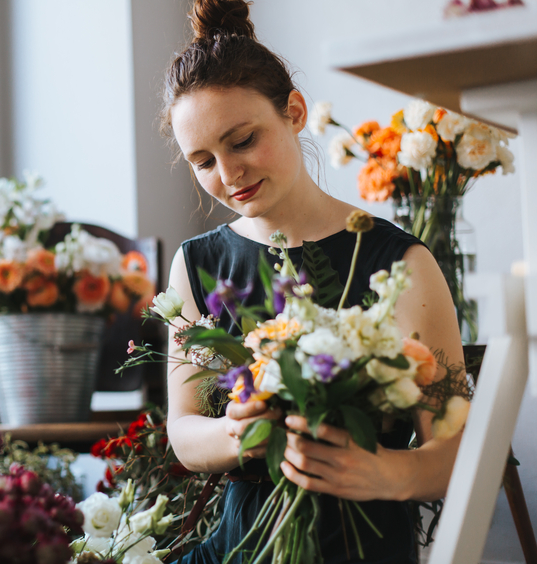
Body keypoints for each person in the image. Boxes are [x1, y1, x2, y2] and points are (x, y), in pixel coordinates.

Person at [161, 1, 466, 562]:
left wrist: (387, 473)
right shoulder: (197, 264)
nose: (229, 176)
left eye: (243, 140)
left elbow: (463, 452)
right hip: (239, 548)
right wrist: (235, 431)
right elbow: (182, 432)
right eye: (203, 161)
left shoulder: (402, 262)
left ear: (295, 112)